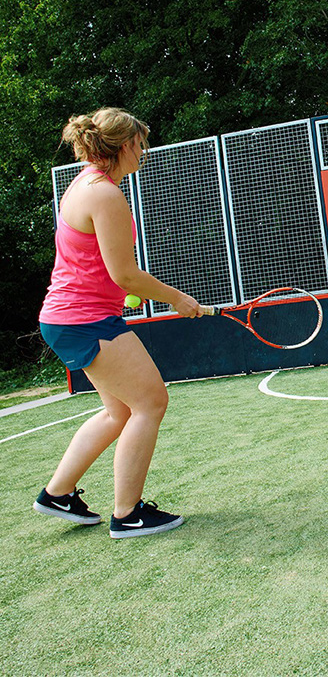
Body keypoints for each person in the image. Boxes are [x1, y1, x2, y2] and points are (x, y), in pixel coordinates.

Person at [35, 108, 203, 539]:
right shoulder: (105, 194)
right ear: (126, 145)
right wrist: (179, 299)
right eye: (140, 144)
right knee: (151, 402)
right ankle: (128, 515)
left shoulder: (86, 184)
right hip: (84, 320)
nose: (143, 153)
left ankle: (57, 493)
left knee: (119, 412)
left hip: (72, 317)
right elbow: (124, 275)